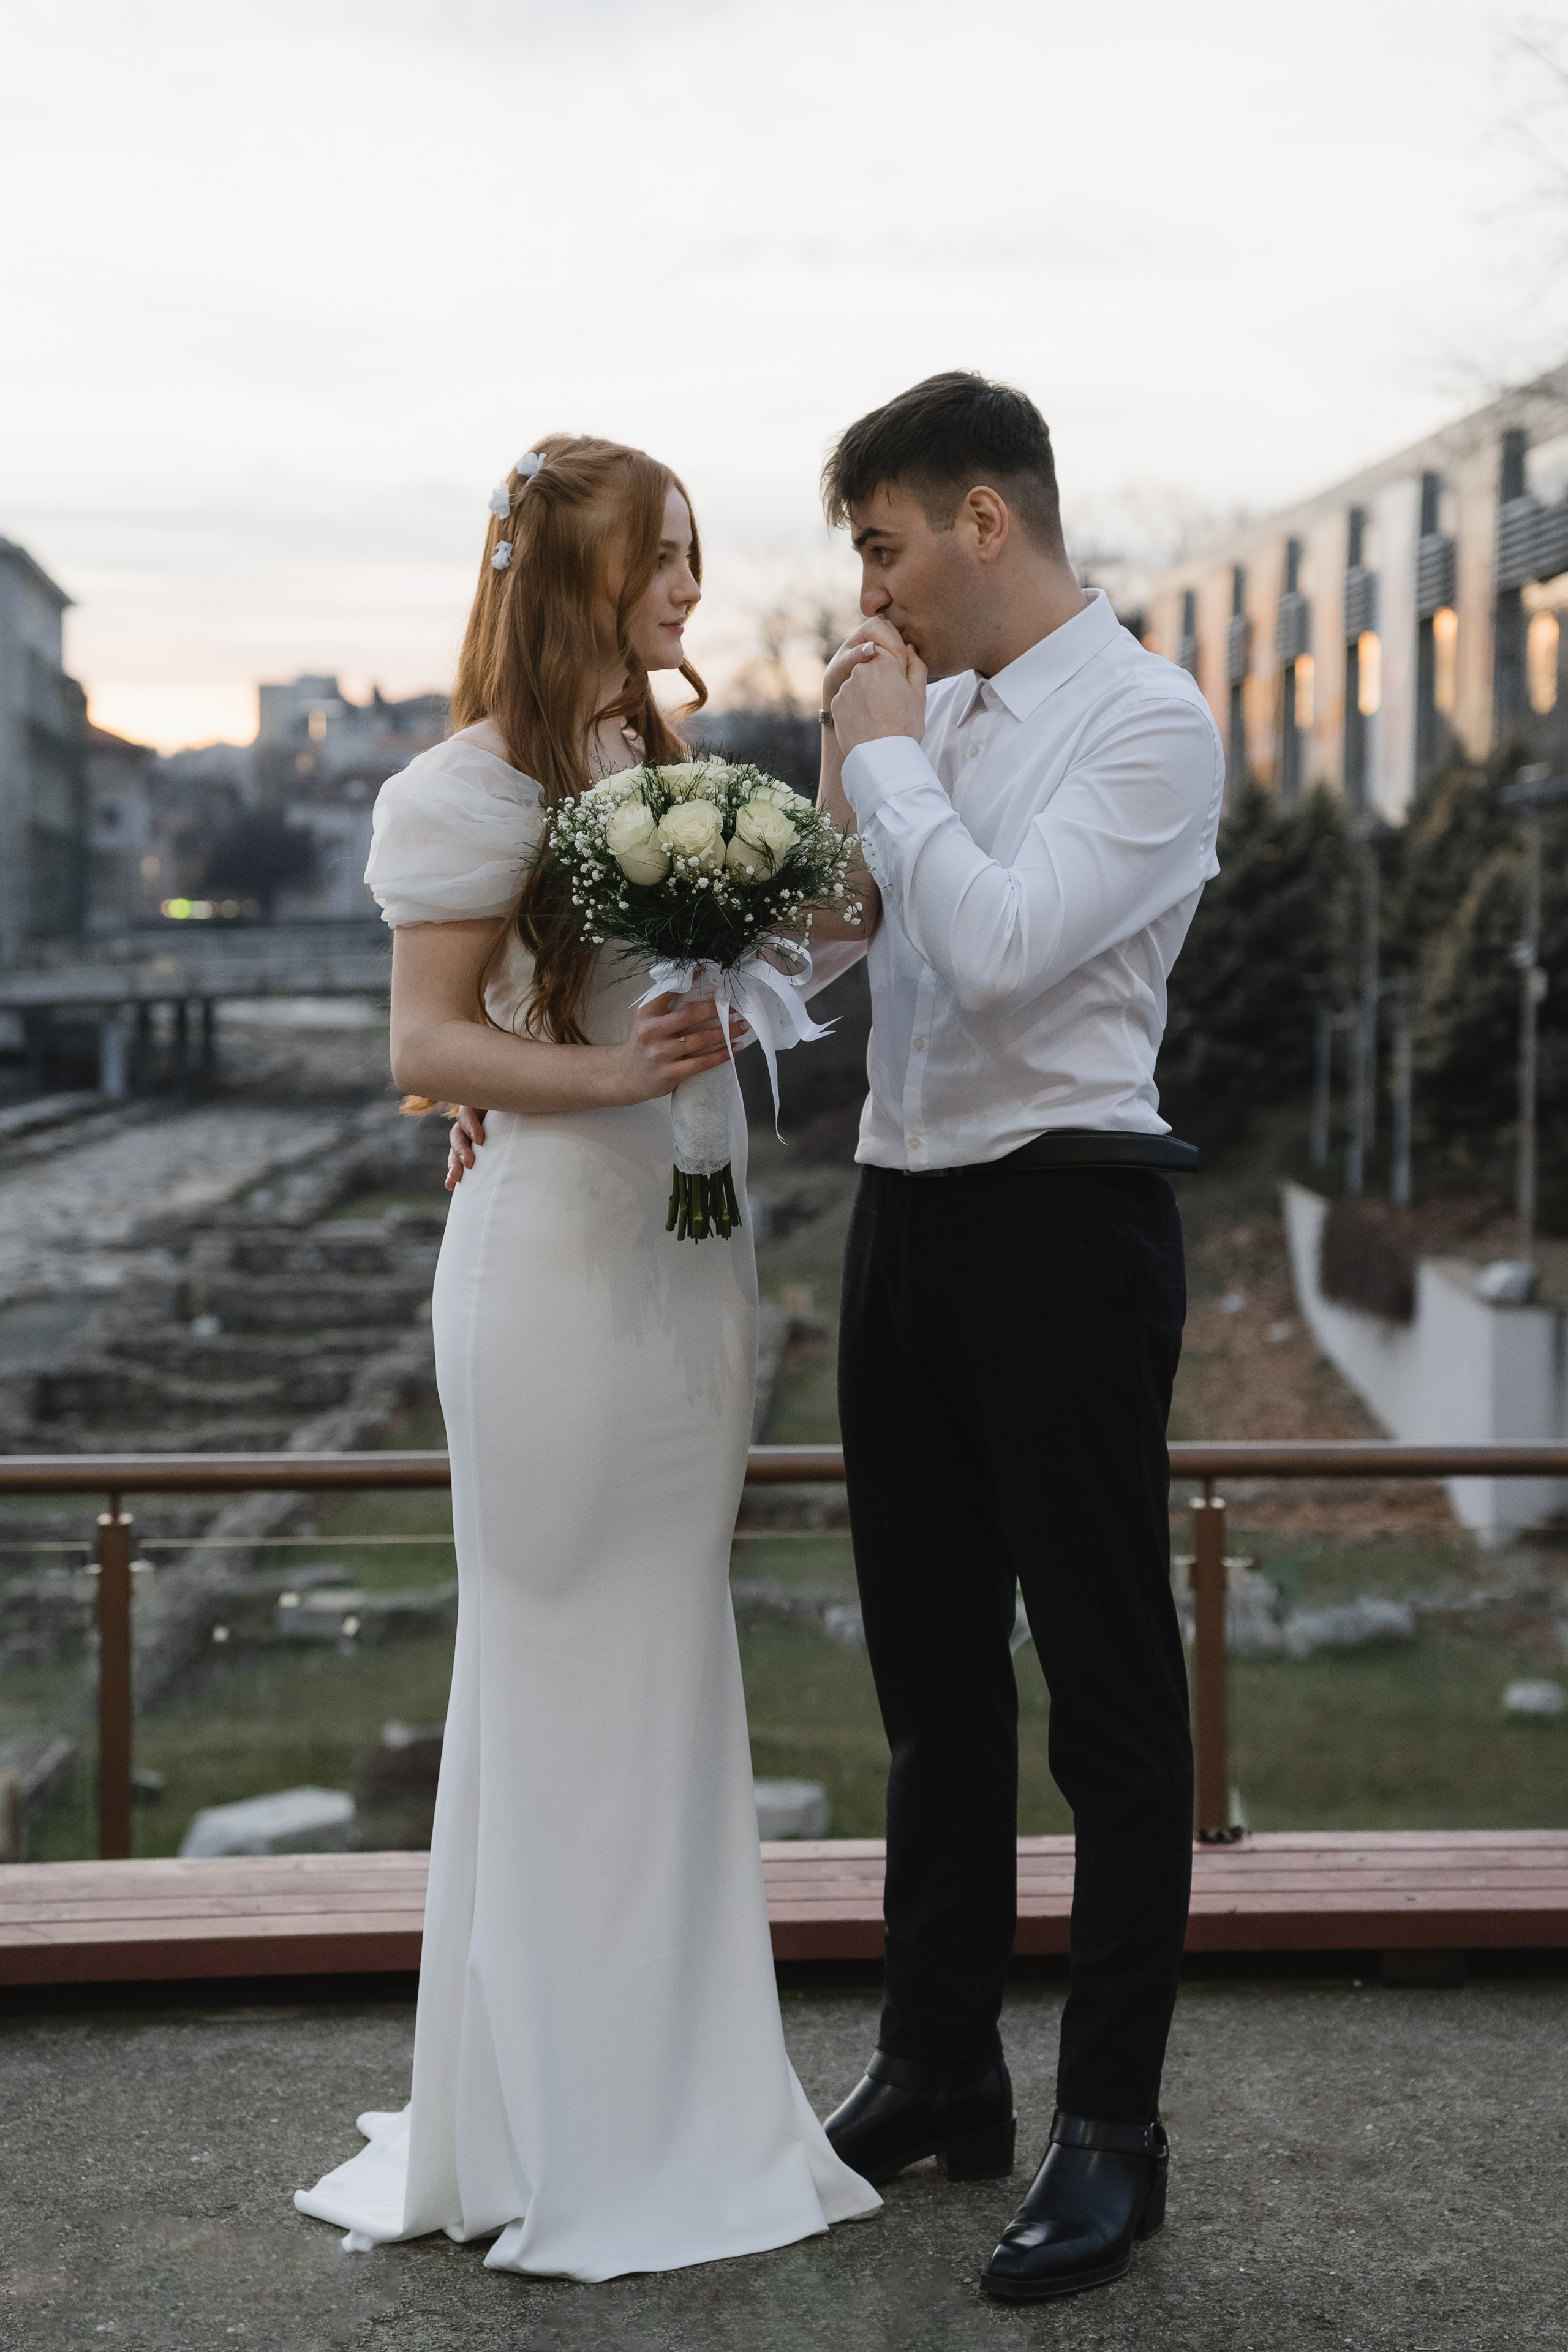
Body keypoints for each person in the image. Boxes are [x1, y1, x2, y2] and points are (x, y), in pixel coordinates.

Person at [293, 434, 880, 2282]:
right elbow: (430, 1048)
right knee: (559, 1669)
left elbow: (819, 936)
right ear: (572, 575)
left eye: (697, 555)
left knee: (666, 1657)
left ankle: (675, 2099)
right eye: (663, 559)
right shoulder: (461, 792)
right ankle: (553, 2123)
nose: (690, 590)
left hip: (690, 1274)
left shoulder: (655, 766)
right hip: (551, 1276)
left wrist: (857, 790)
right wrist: (613, 1076)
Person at [812, 372, 1224, 2302]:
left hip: (1066, 1220)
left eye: (883, 546)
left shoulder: (1149, 724)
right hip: (902, 1215)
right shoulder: (932, 714)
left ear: (986, 519)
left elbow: (994, 946)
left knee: (1110, 1699)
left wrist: (894, 764)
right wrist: (839, 804)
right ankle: (938, 2062)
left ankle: (1113, 2133)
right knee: (929, 1684)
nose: (868, 597)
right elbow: (851, 962)